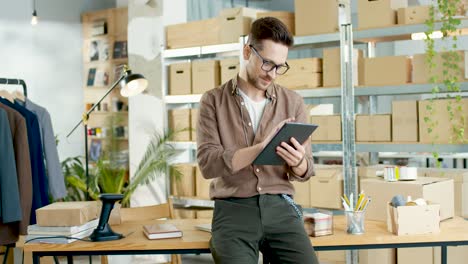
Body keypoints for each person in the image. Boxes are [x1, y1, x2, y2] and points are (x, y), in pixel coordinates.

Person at [197, 17, 319, 264]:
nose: (273, 74)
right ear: (246, 51)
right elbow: (208, 164)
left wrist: (298, 164)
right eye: (267, 64)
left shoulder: (293, 102)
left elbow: (307, 169)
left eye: (280, 67)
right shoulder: (212, 101)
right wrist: (260, 149)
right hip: (233, 209)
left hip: (281, 207)